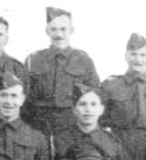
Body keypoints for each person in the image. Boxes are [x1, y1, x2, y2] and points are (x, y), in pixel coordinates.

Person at [25, 7, 99, 137]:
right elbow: (24, 95)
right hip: (39, 124)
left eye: (63, 29)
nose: (58, 34)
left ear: (72, 30)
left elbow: (94, 94)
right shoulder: (34, 59)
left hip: (72, 124)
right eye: (53, 29)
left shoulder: (83, 60)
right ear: (47, 31)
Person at [50, 84, 131, 160]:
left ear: (101, 109)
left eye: (93, 104)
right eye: (83, 104)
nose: (88, 109)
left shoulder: (112, 142)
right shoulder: (58, 139)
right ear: (74, 109)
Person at [99, 33, 146, 160]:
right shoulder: (111, 85)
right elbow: (99, 119)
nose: (138, 59)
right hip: (120, 143)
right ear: (126, 56)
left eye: (143, 55)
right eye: (133, 54)